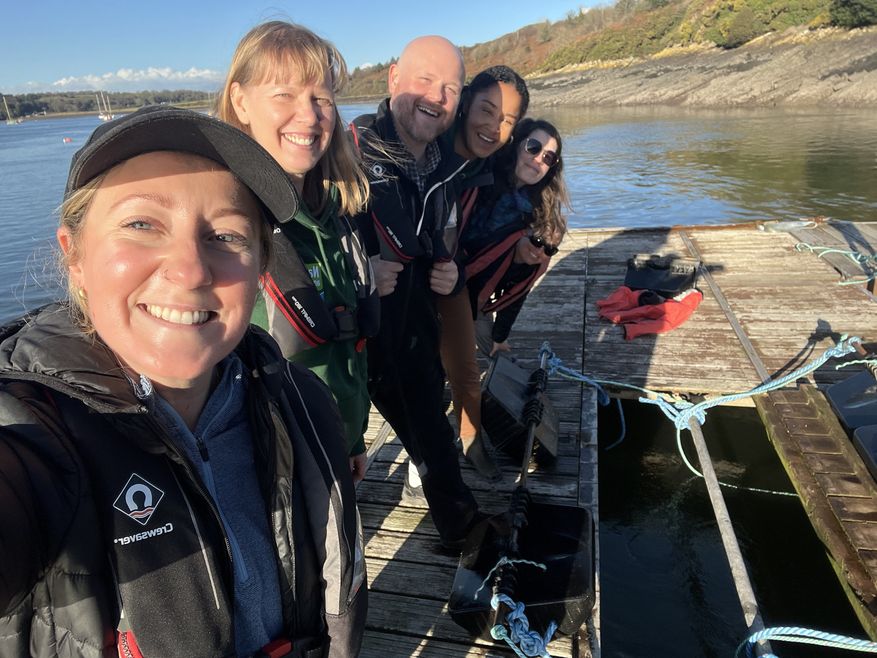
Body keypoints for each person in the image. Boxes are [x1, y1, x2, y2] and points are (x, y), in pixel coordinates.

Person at [0, 107, 365, 658]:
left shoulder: (300, 402)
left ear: (261, 261)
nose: (191, 269)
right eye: (141, 224)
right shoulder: (33, 431)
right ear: (74, 256)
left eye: (226, 235)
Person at [216, 21, 377, 483]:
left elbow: (346, 353)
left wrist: (353, 438)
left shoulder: (333, 218)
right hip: (269, 469)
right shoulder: (226, 222)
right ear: (241, 101)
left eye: (320, 98)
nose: (308, 116)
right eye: (283, 94)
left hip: (334, 449)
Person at [350, 36, 480, 551]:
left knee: (433, 434)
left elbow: (447, 239)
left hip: (412, 327)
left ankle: (462, 531)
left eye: (450, 88)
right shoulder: (348, 152)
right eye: (425, 80)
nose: (436, 96)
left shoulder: (448, 163)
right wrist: (361, 268)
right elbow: (292, 238)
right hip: (350, 337)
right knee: (338, 452)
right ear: (393, 77)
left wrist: (458, 272)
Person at [452, 118, 569, 455]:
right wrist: (508, 246)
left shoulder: (536, 213)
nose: (539, 159)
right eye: (534, 147)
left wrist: (501, 338)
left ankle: (488, 339)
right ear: (517, 144)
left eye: (549, 158)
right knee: (454, 371)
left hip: (478, 297)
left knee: (492, 359)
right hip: (444, 285)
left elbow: (520, 287)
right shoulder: (480, 178)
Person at [436, 65, 529, 482]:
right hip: (397, 279)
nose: (493, 127)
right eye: (487, 110)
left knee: (466, 368)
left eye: (507, 120)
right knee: (417, 377)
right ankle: (427, 461)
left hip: (450, 280)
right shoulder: (434, 146)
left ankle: (471, 441)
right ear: (466, 101)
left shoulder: (485, 166)